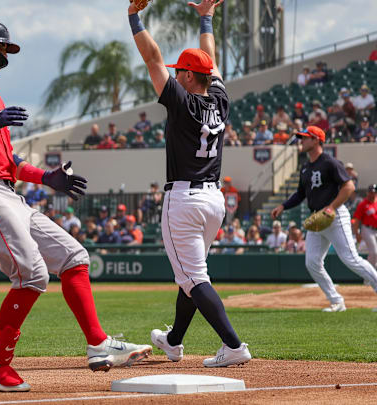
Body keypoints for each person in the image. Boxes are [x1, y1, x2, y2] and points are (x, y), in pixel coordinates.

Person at [0, 19, 150, 392]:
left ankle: (98, 343)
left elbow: (7, 162)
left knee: (74, 256)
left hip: (6, 191)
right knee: (32, 274)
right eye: (1, 47)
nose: (4, 54)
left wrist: (47, 178)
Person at [129, 0, 251, 367]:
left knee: (193, 277)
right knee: (192, 275)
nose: (174, 73)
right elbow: (208, 60)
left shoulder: (182, 101)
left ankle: (233, 346)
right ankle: (174, 341)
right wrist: (206, 18)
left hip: (184, 199)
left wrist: (133, 17)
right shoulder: (219, 98)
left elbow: (152, 58)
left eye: (178, 70)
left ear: (184, 77)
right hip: (214, 201)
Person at [271, 126, 377, 312]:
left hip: (335, 216)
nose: (301, 141)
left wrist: (332, 207)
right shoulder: (305, 167)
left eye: (305, 138)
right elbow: (300, 194)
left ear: (316, 140)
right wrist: (283, 206)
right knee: (312, 262)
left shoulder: (329, 162)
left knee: (351, 259)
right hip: (317, 219)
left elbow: (349, 186)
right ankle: (336, 300)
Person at [353, 184, 377, 270]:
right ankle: (369, 277)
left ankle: (372, 274)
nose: (372, 194)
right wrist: (357, 233)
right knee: (374, 252)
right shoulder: (363, 204)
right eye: (370, 192)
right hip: (367, 229)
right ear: (367, 193)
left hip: (375, 230)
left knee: (374, 254)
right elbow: (356, 220)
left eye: (374, 192)